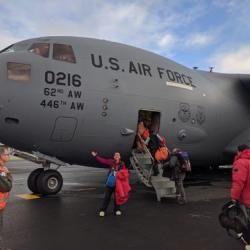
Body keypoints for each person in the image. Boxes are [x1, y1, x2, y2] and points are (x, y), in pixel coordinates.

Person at [91, 151, 131, 217]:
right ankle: (103, 210)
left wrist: (126, 173)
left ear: (120, 157)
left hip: (118, 184)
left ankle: (117, 210)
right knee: (107, 197)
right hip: (110, 183)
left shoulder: (122, 163)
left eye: (118, 155)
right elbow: (103, 161)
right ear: (114, 157)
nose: (117, 156)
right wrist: (96, 156)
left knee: (117, 198)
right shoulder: (111, 162)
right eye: (116, 155)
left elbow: (125, 172)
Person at [231, 144, 250, 249]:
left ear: (239, 152)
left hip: (246, 199)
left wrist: (234, 196)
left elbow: (238, 182)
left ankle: (249, 243)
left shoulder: (241, 163)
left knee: (246, 221)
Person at [0, 146, 12, 249]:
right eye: (7, 154)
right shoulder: (1, 170)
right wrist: (8, 174)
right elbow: (6, 187)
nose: (9, 156)